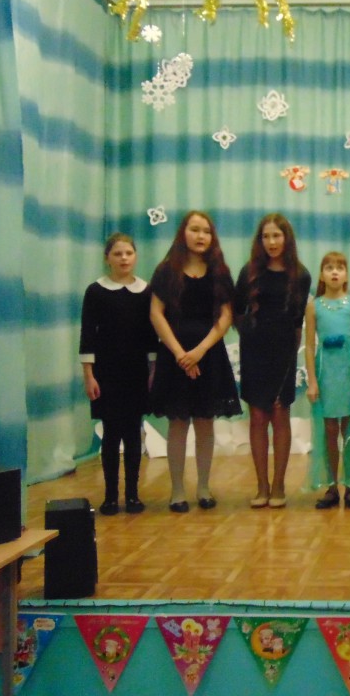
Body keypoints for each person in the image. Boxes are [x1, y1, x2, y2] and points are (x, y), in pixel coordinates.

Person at [149, 210, 241, 513]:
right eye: (195, 229)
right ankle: (177, 490)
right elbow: (156, 314)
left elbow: (226, 316)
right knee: (178, 423)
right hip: (174, 356)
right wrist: (180, 354)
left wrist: (200, 351)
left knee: (205, 422)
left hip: (208, 355)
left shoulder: (219, 271)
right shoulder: (166, 270)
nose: (201, 236)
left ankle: (203, 487)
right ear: (183, 233)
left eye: (206, 231)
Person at [233, 213, 312, 509]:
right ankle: (261, 486)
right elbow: (237, 311)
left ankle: (278, 484)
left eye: (276, 235)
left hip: (284, 352)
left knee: (280, 414)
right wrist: (251, 335)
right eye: (266, 236)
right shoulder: (249, 272)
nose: (271, 242)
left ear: (286, 238)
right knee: (257, 417)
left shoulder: (300, 275)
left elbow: (298, 320)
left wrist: (290, 351)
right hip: (254, 351)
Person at [80, 233, 158, 516]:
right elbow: (87, 334)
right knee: (111, 434)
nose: (124, 258)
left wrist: (153, 371)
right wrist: (89, 375)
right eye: (117, 253)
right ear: (107, 258)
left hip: (136, 372)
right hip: (106, 373)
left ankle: (133, 495)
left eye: (128, 253)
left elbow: (151, 337)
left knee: (134, 433)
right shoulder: (95, 291)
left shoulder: (146, 291)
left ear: (135, 256)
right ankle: (111, 496)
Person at [305, 252, 350, 509]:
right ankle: (331, 486)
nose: (334, 272)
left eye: (339, 268)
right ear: (322, 274)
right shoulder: (314, 306)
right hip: (326, 373)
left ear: (346, 274)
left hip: (349, 372)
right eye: (329, 268)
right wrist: (312, 382)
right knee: (328, 431)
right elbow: (309, 345)